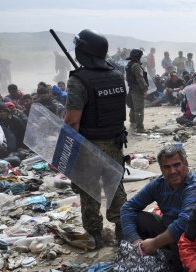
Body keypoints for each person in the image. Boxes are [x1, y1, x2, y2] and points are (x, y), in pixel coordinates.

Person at [64, 29, 128, 248]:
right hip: (115, 141)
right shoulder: (117, 75)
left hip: (88, 144)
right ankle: (122, 229)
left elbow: (73, 120)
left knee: (89, 188)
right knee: (115, 184)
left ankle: (95, 235)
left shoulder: (78, 80)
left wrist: (66, 150)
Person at [120, 145, 196, 272]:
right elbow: (128, 207)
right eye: (167, 167)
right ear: (161, 169)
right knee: (134, 219)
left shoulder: (194, 186)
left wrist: (154, 244)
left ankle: (166, 261)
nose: (173, 171)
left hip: (189, 239)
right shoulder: (159, 184)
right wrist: (135, 241)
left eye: (177, 165)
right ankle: (146, 257)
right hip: (166, 231)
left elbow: (182, 224)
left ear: (186, 164)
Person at [126, 49, 148, 133]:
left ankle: (133, 122)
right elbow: (140, 78)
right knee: (139, 109)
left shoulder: (129, 64)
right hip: (137, 89)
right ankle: (140, 127)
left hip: (131, 88)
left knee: (133, 106)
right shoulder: (136, 66)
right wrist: (144, 88)